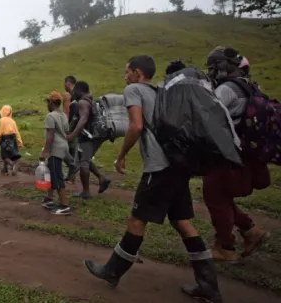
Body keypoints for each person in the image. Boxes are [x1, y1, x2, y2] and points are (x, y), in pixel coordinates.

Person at [84, 55, 222, 302]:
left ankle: (112, 271)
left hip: (158, 168)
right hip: (178, 166)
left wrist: (122, 155)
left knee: (137, 220)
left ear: (138, 72)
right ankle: (209, 284)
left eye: (127, 71)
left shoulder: (134, 89)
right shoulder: (163, 91)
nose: (125, 75)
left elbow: (136, 126)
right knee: (182, 222)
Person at [204, 47, 270, 263]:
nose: (211, 72)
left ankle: (225, 247)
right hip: (246, 153)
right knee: (222, 197)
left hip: (227, 153)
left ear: (223, 67)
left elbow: (207, 117)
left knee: (214, 196)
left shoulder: (227, 90)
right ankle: (250, 231)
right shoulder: (252, 86)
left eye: (213, 67)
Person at [67, 81, 111, 198]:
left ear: (79, 90)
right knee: (84, 159)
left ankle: (86, 192)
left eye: (74, 90)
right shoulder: (91, 100)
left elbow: (83, 120)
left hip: (88, 137)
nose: (73, 93)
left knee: (84, 163)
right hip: (95, 135)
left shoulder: (82, 102)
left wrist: (72, 135)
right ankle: (102, 178)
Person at [39, 91, 73, 215]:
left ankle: (64, 205)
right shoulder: (63, 115)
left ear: (52, 103)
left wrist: (45, 151)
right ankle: (49, 198)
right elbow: (66, 131)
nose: (47, 105)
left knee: (57, 175)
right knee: (50, 172)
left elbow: (50, 136)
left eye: (48, 102)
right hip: (64, 147)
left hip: (55, 149)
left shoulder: (50, 116)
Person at [0, 105, 23, 175]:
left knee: (4, 156)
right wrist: (20, 142)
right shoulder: (13, 121)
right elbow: (17, 132)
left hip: (5, 139)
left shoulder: (1, 120)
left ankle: (13, 165)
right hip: (13, 139)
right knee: (8, 154)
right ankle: (5, 169)